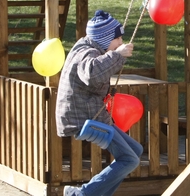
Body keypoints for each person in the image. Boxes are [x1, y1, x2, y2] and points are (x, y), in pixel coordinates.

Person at [56, 10, 142, 196]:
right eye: (117, 39)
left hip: (93, 114)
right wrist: (117, 55)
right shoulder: (86, 52)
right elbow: (91, 74)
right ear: (104, 39)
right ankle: (80, 195)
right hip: (83, 118)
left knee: (135, 151)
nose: (120, 43)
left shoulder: (91, 47)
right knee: (129, 160)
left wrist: (115, 54)